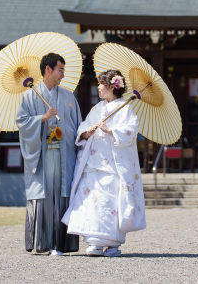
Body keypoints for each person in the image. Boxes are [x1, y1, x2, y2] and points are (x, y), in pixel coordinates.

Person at [62, 70, 146, 257]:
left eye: (101, 83)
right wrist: (87, 132)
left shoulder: (125, 108)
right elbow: (82, 128)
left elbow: (131, 132)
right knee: (93, 202)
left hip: (113, 165)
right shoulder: (97, 109)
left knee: (111, 203)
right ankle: (95, 242)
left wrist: (110, 129)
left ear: (110, 86)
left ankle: (113, 243)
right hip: (94, 162)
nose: (98, 87)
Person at [17, 52, 82, 255]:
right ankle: (42, 242)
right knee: (43, 196)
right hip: (42, 155)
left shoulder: (68, 96)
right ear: (48, 69)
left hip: (64, 156)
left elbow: (77, 125)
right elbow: (22, 123)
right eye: (60, 69)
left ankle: (60, 244)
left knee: (61, 195)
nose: (63, 74)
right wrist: (42, 119)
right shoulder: (29, 96)